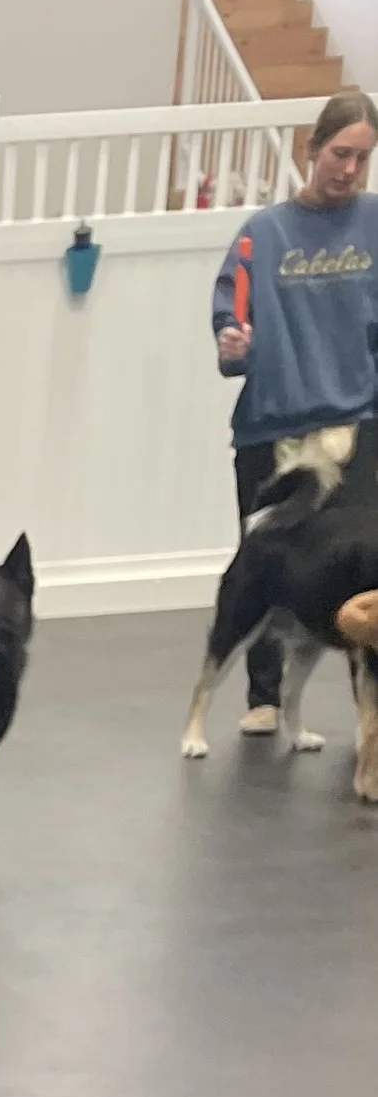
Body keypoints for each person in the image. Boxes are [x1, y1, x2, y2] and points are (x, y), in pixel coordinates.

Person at [212, 87, 378, 728]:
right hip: (275, 425)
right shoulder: (265, 233)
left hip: (356, 422)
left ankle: (369, 713)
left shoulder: (373, 226)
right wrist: (233, 341)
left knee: (363, 574)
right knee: (266, 559)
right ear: (312, 150)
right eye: (339, 154)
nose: (349, 170)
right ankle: (263, 697)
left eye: (362, 158)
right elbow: (232, 323)